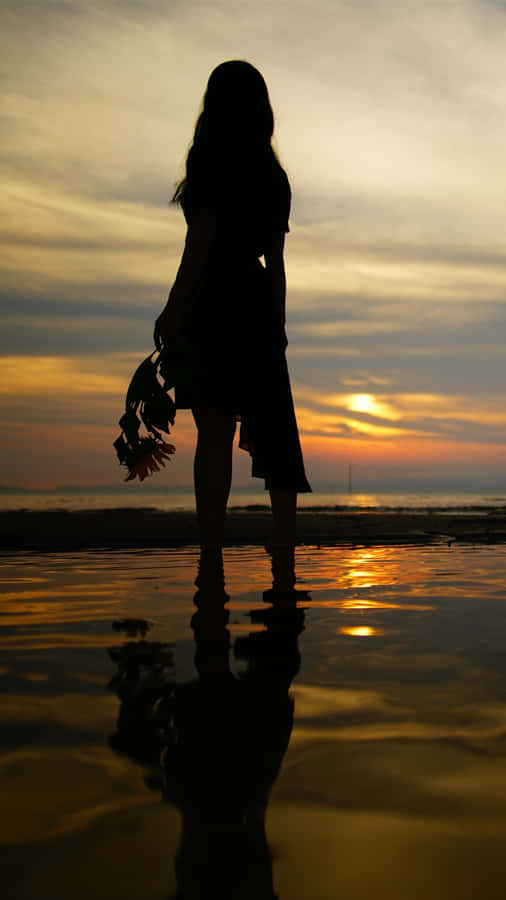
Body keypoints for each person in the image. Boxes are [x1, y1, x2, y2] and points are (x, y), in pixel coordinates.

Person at [154, 60, 311, 586]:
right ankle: (283, 544)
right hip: (257, 302)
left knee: (216, 434)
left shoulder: (211, 164)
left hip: (214, 302)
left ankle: (212, 552)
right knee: (275, 430)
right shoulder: (273, 175)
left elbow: (197, 246)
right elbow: (277, 260)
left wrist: (174, 307)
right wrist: (279, 323)